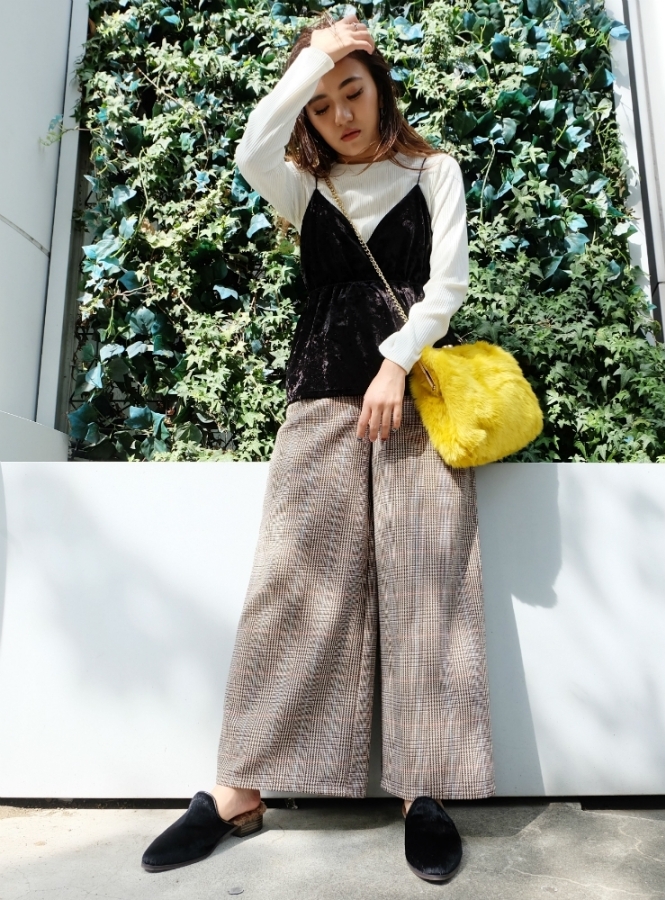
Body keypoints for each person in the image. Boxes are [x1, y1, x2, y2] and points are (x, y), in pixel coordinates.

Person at [141, 12, 494, 883]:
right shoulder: (301, 186)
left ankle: (422, 792)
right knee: (290, 587)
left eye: (354, 91)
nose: (341, 115)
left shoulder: (434, 169)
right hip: (319, 395)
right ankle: (239, 788)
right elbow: (249, 148)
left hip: (416, 397)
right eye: (324, 102)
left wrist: (393, 362)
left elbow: (447, 284)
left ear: (381, 87)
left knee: (425, 588)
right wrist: (319, 55)